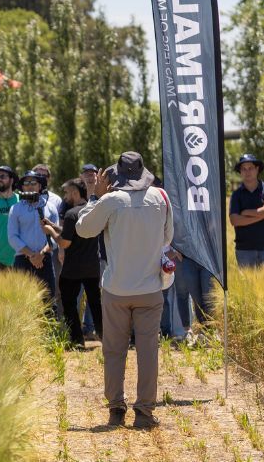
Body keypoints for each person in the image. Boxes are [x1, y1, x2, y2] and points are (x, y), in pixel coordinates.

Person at [75, 152, 172, 430]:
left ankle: (116, 409)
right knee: (148, 351)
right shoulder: (161, 198)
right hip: (151, 287)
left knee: (115, 350)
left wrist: (95, 196)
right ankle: (144, 411)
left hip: (117, 288)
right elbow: (167, 237)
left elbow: (84, 229)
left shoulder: (111, 200)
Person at [56, 178, 103, 349]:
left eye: (67, 192)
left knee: (69, 303)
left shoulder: (70, 214)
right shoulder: (93, 211)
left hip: (72, 269)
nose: (65, 196)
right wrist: (55, 227)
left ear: (75, 192)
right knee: (95, 303)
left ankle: (76, 340)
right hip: (92, 266)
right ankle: (105, 335)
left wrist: (51, 233)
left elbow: (64, 243)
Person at [8, 170, 60, 301]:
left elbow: (55, 236)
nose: (30, 185)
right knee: (21, 301)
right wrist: (31, 255)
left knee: (48, 301)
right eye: (26, 183)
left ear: (40, 186)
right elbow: (12, 237)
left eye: (33, 182)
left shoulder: (51, 207)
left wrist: (41, 254)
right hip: (23, 259)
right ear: (22, 187)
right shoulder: (15, 208)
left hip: (45, 259)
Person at [228, 154, 264, 268]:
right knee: (247, 285)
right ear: (240, 172)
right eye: (244, 169)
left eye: (250, 168)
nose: (247, 172)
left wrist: (246, 212)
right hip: (244, 250)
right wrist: (263, 214)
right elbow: (235, 220)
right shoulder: (236, 194)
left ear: (257, 169)